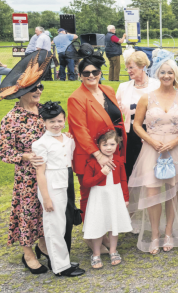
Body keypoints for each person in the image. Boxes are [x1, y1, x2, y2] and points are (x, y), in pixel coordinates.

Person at [0, 51, 54, 275]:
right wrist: (25, 156)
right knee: (28, 212)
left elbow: (57, 130)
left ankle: (42, 243)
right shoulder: (11, 119)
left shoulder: (45, 112)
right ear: (21, 93)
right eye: (33, 88)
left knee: (45, 210)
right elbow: (3, 151)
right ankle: (27, 252)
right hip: (27, 177)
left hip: (49, 173)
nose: (38, 91)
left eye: (40, 87)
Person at [127, 51, 178, 254]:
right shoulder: (147, 98)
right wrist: (151, 141)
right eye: (162, 72)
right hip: (152, 149)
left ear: (175, 75)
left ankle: (169, 232)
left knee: (172, 193)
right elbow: (136, 125)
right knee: (153, 192)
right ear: (157, 74)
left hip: (175, 149)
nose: (166, 76)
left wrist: (177, 141)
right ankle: (154, 234)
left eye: (170, 72)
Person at [67, 44, 126, 252]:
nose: (91, 75)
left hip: (111, 150)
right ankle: (92, 237)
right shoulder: (76, 98)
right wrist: (97, 154)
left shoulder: (107, 90)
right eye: (86, 73)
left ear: (100, 73)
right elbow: (79, 129)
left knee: (109, 194)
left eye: (95, 72)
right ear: (80, 75)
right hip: (90, 156)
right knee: (90, 197)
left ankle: (107, 234)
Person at [32, 102, 85, 277]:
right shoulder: (40, 144)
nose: (56, 124)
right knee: (54, 225)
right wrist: (46, 198)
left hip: (67, 180)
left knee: (66, 222)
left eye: (59, 121)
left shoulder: (68, 139)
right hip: (51, 184)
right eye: (51, 121)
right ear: (44, 123)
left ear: (64, 121)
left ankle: (63, 259)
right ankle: (60, 267)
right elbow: (40, 173)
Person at [82, 130, 132, 268]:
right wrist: (101, 174)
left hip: (114, 195)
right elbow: (86, 182)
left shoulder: (119, 160)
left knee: (113, 224)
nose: (109, 147)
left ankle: (113, 250)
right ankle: (96, 253)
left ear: (117, 144)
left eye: (112, 144)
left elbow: (122, 180)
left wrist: (125, 198)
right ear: (98, 145)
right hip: (99, 197)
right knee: (99, 224)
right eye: (105, 144)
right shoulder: (92, 162)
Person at [116, 51, 161, 178]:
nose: (128, 71)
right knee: (130, 171)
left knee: (149, 172)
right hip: (130, 136)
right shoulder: (123, 87)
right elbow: (116, 112)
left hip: (152, 134)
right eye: (127, 68)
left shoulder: (157, 85)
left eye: (131, 67)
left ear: (142, 66)